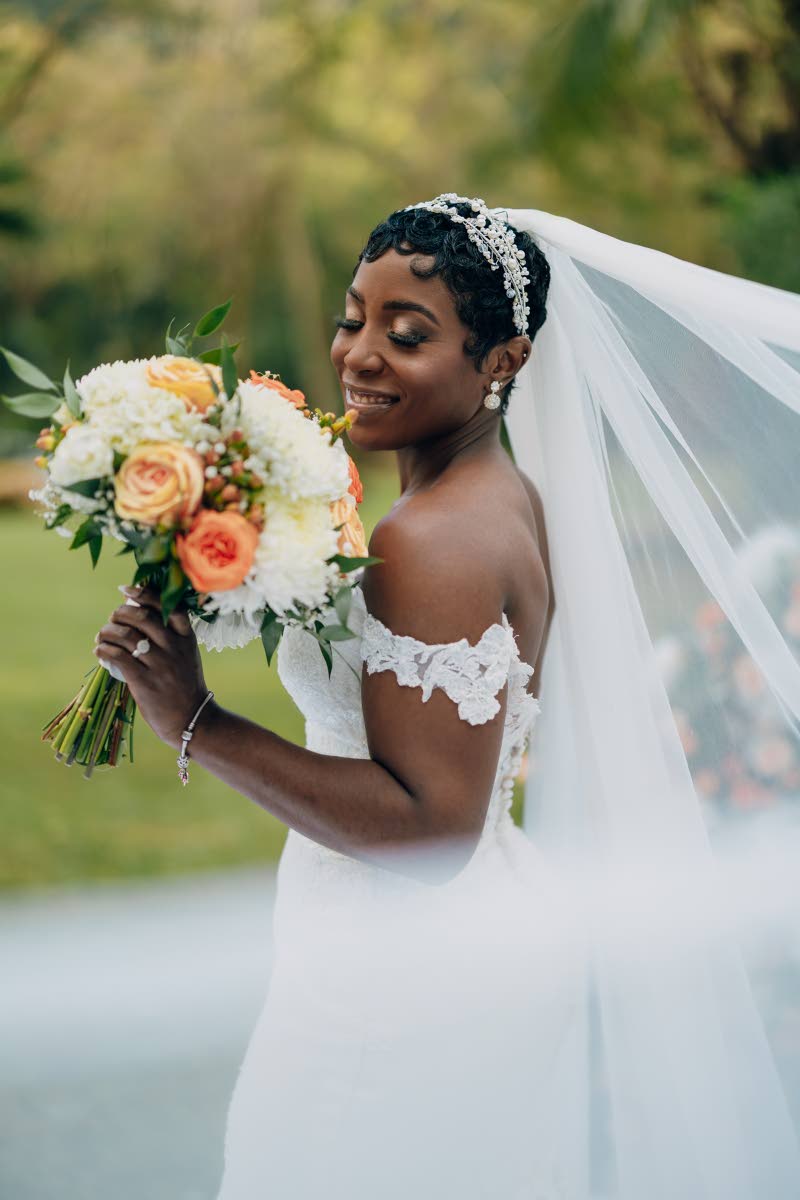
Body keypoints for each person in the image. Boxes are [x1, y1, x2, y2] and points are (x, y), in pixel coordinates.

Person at [94, 196, 800, 1199]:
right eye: (354, 318)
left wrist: (196, 723)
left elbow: (433, 825)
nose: (359, 356)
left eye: (408, 333)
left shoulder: (429, 539)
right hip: (465, 936)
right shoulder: (493, 496)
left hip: (400, 973)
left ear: (502, 361)